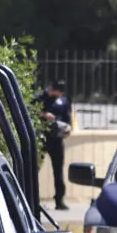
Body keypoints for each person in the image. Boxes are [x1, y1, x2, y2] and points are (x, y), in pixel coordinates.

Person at [39, 80, 72, 210]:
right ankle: (31, 199)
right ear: (52, 88)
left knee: (58, 170)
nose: (60, 94)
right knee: (34, 169)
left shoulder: (64, 100)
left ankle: (59, 200)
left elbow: (68, 117)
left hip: (57, 139)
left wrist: (69, 128)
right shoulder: (40, 98)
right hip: (42, 138)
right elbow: (29, 112)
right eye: (58, 91)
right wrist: (43, 115)